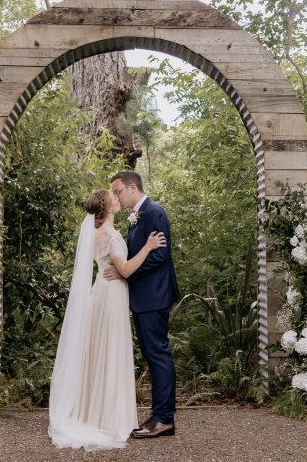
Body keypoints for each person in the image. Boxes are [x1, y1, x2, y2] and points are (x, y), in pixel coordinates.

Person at [49, 189, 166, 451]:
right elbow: (123, 269)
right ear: (107, 207)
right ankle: (110, 418)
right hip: (112, 294)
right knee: (110, 349)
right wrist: (148, 247)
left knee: (99, 350)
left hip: (100, 290)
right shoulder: (110, 235)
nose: (117, 198)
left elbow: (111, 266)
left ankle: (92, 413)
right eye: (113, 197)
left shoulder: (95, 232)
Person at [105, 170, 180, 439]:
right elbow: (133, 255)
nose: (116, 197)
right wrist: (122, 268)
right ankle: (158, 415)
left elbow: (159, 255)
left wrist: (127, 272)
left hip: (154, 296)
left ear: (133, 187)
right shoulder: (136, 218)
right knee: (152, 355)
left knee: (158, 354)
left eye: (118, 191)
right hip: (143, 297)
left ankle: (164, 419)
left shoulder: (153, 212)